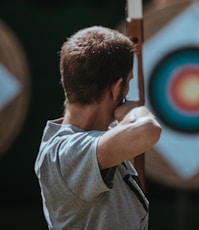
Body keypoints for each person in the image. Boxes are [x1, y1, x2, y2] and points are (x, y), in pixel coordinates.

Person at [34, 25, 162, 230]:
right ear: (116, 88)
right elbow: (147, 129)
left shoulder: (101, 136)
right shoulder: (64, 153)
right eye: (128, 82)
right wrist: (132, 112)